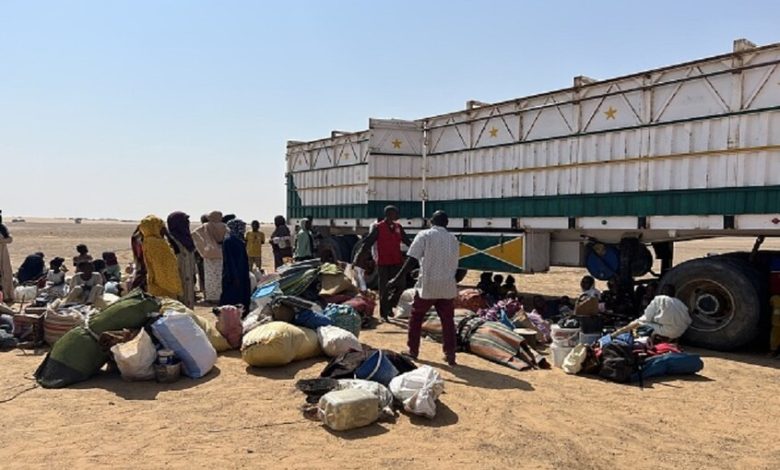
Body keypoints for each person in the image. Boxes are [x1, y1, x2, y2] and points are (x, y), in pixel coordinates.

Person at [388, 210, 460, 366]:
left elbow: (411, 259)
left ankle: (413, 351)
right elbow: (450, 262)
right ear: (447, 223)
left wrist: (397, 278)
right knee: (448, 321)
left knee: (416, 317)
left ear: (431, 222)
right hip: (447, 286)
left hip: (428, 286)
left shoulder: (424, 235)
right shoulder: (453, 239)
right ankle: (450, 355)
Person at [354, 205, 413, 321]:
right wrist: (358, 258)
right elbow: (367, 243)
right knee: (384, 288)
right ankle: (384, 314)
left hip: (397, 261)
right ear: (388, 214)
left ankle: (390, 304)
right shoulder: (378, 227)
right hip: (383, 262)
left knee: (401, 285)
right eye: (395, 213)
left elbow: (407, 241)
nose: (398, 216)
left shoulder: (398, 227)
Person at [611, 284, 692, 342]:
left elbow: (645, 319)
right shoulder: (680, 303)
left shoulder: (659, 299)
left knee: (640, 325)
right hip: (680, 333)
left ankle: (646, 341)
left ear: (661, 292)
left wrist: (620, 331)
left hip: (668, 331)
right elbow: (688, 321)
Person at [138, 215, 183, 299]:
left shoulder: (147, 241)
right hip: (164, 285)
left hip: (156, 283)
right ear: (155, 228)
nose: (164, 230)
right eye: (161, 227)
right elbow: (162, 267)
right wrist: (172, 285)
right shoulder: (157, 244)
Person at [192, 211, 228, 302]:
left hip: (209, 254)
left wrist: (203, 246)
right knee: (220, 276)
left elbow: (194, 234)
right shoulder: (224, 227)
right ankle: (220, 296)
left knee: (210, 276)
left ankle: (211, 297)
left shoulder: (206, 226)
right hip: (221, 254)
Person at [167, 211, 198, 308]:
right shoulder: (170, 239)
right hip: (177, 276)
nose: (188, 223)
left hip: (189, 275)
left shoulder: (188, 238)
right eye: (185, 221)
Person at [221, 219, 251, 312]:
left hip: (241, 272)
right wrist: (234, 276)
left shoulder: (239, 240)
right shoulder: (229, 241)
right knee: (232, 296)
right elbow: (230, 261)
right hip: (233, 274)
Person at [0, 223, 13, 303]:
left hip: (2, 254)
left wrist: (2, 241)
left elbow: (10, 239)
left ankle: (6, 295)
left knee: (5, 274)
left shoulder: (2, 228)